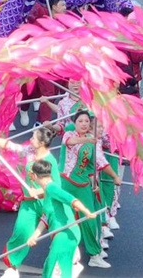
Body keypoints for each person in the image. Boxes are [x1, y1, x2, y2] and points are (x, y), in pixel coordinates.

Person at [0, 125, 59, 278]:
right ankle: (12, 267)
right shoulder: (30, 152)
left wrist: (38, 191)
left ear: (41, 143)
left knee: (59, 237)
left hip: (48, 204)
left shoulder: (50, 160)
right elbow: (9, 145)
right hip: (29, 204)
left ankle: (60, 267)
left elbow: (56, 186)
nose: (30, 139)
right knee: (21, 233)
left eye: (33, 137)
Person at [60, 110, 121, 268]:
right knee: (63, 219)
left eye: (86, 121)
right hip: (66, 183)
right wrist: (88, 140)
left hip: (83, 184)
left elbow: (100, 162)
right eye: (80, 121)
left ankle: (94, 254)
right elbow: (70, 142)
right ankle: (63, 253)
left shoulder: (94, 142)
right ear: (75, 123)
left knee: (90, 218)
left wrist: (115, 176)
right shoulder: (69, 134)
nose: (84, 124)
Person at [27, 159, 97, 278]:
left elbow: (70, 199)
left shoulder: (51, 188)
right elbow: (45, 218)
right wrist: (34, 236)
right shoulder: (48, 190)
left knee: (52, 269)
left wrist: (86, 212)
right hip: (64, 234)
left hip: (65, 234)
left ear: (34, 176)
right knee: (56, 268)